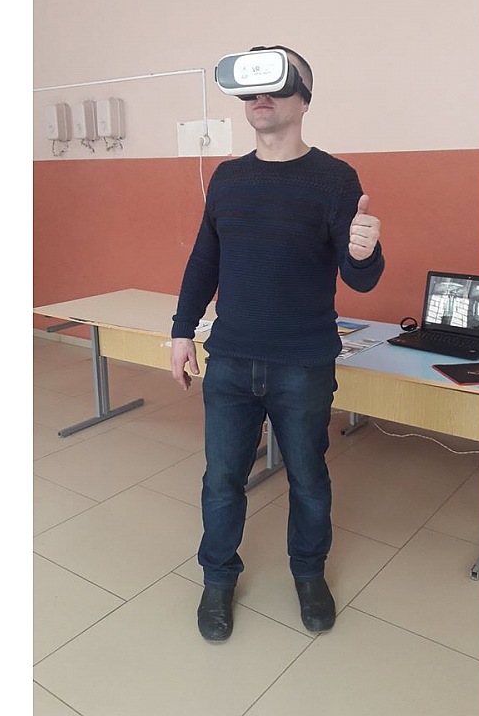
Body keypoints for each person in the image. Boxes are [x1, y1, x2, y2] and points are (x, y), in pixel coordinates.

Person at [170, 45, 385, 641]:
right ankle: (217, 580)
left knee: (309, 478)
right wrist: (182, 330)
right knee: (221, 480)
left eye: (275, 86)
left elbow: (361, 278)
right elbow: (204, 259)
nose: (259, 99)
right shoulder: (228, 178)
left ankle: (309, 575)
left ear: (304, 100)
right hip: (231, 359)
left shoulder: (334, 179)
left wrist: (365, 251)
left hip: (303, 363)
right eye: (250, 90)